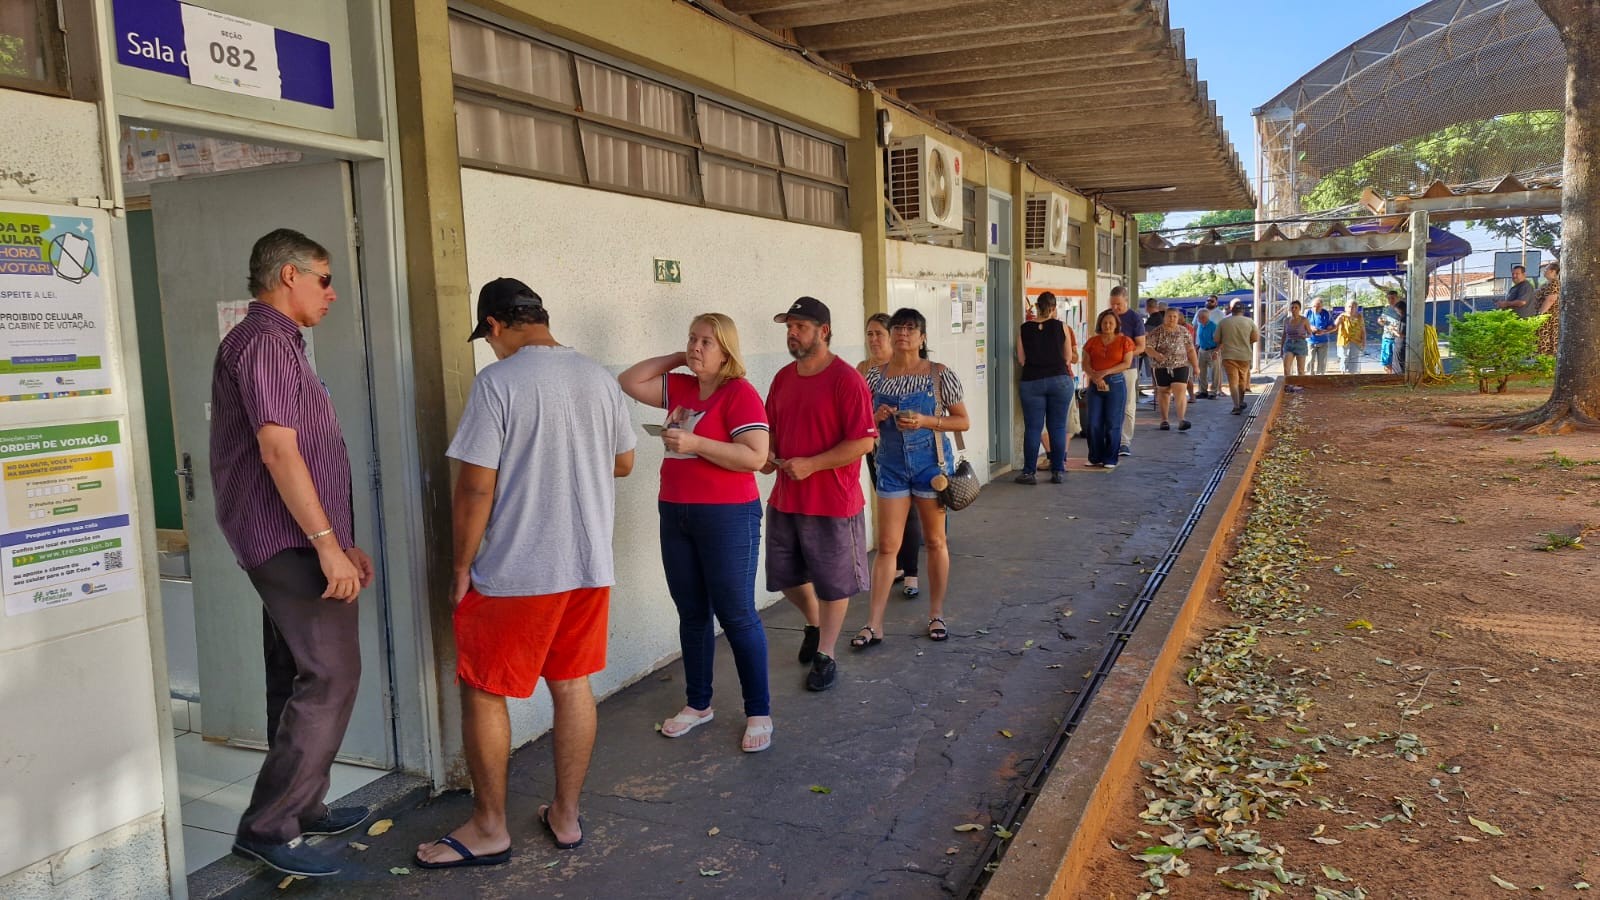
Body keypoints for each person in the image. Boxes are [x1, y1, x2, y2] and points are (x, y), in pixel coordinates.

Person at [416, 278, 636, 868]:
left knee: (485, 689)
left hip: (519, 569)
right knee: (571, 684)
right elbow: (623, 461)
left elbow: (476, 485)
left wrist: (461, 566)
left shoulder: (498, 383)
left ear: (493, 326)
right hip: (588, 566)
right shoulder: (595, 376)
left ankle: (489, 827)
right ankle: (565, 815)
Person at [212, 229, 375, 878]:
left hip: (293, 537)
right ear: (288, 275)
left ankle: (301, 806)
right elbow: (280, 452)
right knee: (332, 674)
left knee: (295, 672)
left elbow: (306, 454)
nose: (332, 293)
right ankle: (270, 827)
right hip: (286, 541)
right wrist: (327, 548)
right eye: (324, 278)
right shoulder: (264, 345)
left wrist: (340, 539)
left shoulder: (276, 343)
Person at [618, 314, 774, 753]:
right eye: (692, 339)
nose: (696, 347)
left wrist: (697, 444)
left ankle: (758, 711)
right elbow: (630, 380)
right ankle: (698, 704)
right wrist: (680, 357)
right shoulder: (684, 387)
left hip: (728, 516)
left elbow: (756, 456)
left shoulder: (739, 393)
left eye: (707, 342)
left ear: (727, 350)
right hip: (677, 513)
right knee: (691, 612)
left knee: (737, 614)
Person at [764, 297, 877, 692]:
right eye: (788, 326)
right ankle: (813, 622)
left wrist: (812, 464)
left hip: (832, 500)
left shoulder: (847, 380)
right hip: (785, 498)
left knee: (834, 582)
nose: (792, 333)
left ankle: (826, 653)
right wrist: (765, 455)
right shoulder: (782, 378)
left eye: (799, 326)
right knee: (784, 576)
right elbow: (772, 428)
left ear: (823, 331)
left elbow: (863, 443)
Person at [855, 307, 970, 648]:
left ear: (922, 337)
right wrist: (876, 417)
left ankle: (936, 613)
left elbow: (962, 422)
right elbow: (863, 427)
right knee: (888, 546)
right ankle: (874, 624)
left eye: (910, 328)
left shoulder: (939, 375)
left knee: (935, 542)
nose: (902, 333)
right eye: (897, 328)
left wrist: (925, 420)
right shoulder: (874, 377)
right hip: (889, 466)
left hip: (931, 466)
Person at [859, 314, 923, 597]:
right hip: (876, 449)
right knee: (890, 512)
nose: (873, 340)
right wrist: (874, 417)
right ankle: (896, 564)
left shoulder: (903, 369)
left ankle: (911, 572)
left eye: (879, 334)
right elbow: (858, 417)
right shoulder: (863, 370)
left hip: (910, 450)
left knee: (908, 512)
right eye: (869, 334)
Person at [1014, 292, 1077, 484]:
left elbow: (1022, 360)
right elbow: (1067, 358)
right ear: (1053, 307)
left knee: (1033, 428)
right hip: (1059, 380)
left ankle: (1029, 473)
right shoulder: (1062, 327)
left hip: (1032, 381)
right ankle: (1057, 471)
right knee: (1057, 427)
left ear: (1037, 307)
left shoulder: (1024, 329)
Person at [1081, 310, 1136, 469]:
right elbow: (1086, 363)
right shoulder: (1092, 342)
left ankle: (1111, 458)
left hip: (1116, 382)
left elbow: (1126, 363)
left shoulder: (1125, 341)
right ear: (1100, 324)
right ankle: (1095, 456)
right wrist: (1096, 378)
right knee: (1094, 422)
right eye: (1105, 322)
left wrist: (1105, 373)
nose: (1107, 325)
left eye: (1111, 323)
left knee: (1113, 422)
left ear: (1117, 324)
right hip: (1095, 384)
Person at [1147, 307, 1198, 431]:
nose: (1172, 319)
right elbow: (1147, 347)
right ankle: (1164, 420)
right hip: (1161, 367)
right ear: (1164, 317)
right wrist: (1156, 355)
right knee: (1164, 393)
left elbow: (1190, 349)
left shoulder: (1184, 331)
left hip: (1180, 365)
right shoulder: (1156, 332)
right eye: (1169, 316)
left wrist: (1196, 366)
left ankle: (1182, 419)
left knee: (1180, 391)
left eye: (1175, 316)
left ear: (1178, 318)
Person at [1108, 287, 1146, 456]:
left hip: (1127, 368)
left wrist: (1125, 355)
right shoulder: (1106, 317)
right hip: (1107, 368)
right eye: (1112, 304)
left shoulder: (1134, 318)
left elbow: (1141, 346)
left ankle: (1124, 441)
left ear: (1126, 301)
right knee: (1108, 404)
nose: (1115, 308)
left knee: (1127, 405)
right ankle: (1109, 439)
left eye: (1119, 304)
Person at [1214, 299, 1259, 414]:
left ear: (1231, 310)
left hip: (1229, 355)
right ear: (1243, 311)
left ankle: (1236, 405)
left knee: (1233, 381)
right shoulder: (1250, 322)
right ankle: (1241, 401)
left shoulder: (1223, 322)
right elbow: (1255, 338)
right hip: (1244, 355)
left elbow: (1216, 339)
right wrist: (1245, 342)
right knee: (1242, 380)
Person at [1535, 261, 1561, 355]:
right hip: (1545, 317)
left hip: (1548, 317)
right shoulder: (1547, 283)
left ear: (1553, 271)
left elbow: (1551, 299)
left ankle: (1546, 360)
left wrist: (1540, 314)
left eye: (1546, 269)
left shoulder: (1554, 283)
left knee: (1546, 339)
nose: (1544, 271)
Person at [1306, 296, 1337, 375]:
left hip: (1323, 341)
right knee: (1310, 360)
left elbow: (1334, 328)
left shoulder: (1326, 313)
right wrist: (1310, 327)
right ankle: (1310, 377)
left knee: (1322, 362)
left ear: (1322, 306)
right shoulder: (1308, 312)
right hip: (1311, 341)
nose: (1316, 308)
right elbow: (1302, 324)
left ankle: (1320, 377)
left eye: (1318, 306)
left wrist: (1324, 332)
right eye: (1314, 306)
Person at [1194, 308, 1221, 399]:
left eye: (1199, 317)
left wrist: (1216, 351)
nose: (1197, 319)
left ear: (1204, 317)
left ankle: (1213, 392)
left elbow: (1221, 340)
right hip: (1202, 350)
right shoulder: (1200, 325)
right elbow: (1200, 337)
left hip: (1212, 350)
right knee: (1201, 371)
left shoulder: (1213, 326)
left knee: (1214, 372)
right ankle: (1203, 391)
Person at [1335, 300, 1367, 374]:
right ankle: (1343, 374)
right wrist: (1338, 319)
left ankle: (1352, 376)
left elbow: (1363, 331)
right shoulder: (1342, 316)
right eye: (1349, 307)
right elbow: (1335, 326)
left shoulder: (1360, 317)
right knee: (1344, 358)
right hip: (1343, 341)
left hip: (1356, 341)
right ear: (1345, 308)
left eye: (1353, 307)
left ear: (1356, 308)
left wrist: (1364, 342)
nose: (1351, 308)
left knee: (1354, 359)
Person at [1378, 292, 1406, 374]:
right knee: (1386, 362)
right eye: (1389, 298)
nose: (1390, 300)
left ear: (1397, 298)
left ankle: (1396, 378)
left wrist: (1395, 330)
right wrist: (1380, 321)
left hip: (1397, 339)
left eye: (1393, 298)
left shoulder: (1402, 308)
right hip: (1387, 337)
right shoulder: (1387, 309)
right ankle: (1388, 378)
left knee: (1397, 362)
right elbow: (1381, 320)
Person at [1282, 300, 1311, 377]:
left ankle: (1300, 386)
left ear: (1299, 309)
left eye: (1296, 307)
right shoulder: (1286, 320)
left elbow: (1310, 333)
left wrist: (1305, 336)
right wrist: (1281, 349)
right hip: (1288, 344)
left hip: (1300, 344)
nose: (1294, 309)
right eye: (1292, 307)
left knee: (1300, 370)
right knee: (1286, 368)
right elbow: (1284, 334)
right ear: (1290, 309)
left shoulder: (1304, 320)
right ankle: (1288, 385)